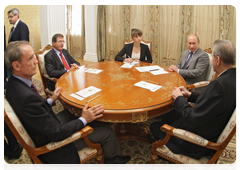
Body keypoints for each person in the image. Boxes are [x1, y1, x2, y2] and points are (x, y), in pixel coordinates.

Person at [5, 41, 131, 170]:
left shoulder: (12, 85)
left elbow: (34, 110)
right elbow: (57, 133)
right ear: (16, 65)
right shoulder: (27, 98)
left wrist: (50, 100)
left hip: (42, 128)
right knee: (107, 132)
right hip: (54, 146)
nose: (36, 61)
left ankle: (91, 124)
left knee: (72, 113)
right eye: (31, 58)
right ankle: (112, 157)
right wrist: (83, 119)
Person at [147, 39, 237, 160]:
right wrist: (189, 94)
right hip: (211, 123)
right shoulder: (233, 78)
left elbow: (193, 119)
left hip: (199, 139)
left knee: (155, 127)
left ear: (218, 60)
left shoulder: (219, 85)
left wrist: (179, 98)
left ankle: (164, 146)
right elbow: (210, 101)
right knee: (171, 114)